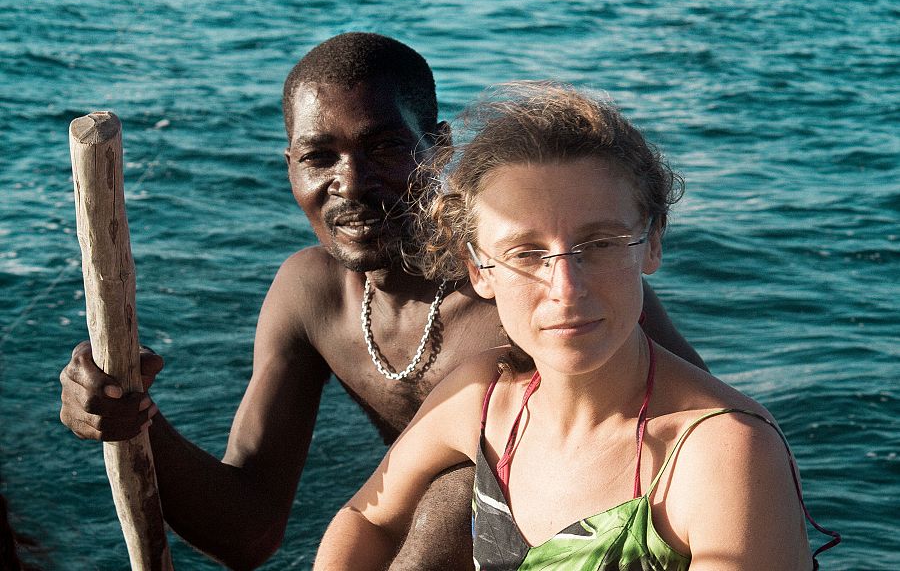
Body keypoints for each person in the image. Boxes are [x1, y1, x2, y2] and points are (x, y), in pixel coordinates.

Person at [59, 33, 707, 570]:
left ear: (440, 149)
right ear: (290, 166)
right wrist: (132, 419)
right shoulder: (312, 296)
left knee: (458, 487)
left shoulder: (535, 287)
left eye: (387, 148)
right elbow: (251, 531)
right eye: (319, 157)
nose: (351, 184)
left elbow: (705, 444)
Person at [313, 82, 840, 570]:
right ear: (478, 269)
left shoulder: (720, 454)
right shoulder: (486, 398)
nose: (566, 288)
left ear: (652, 242)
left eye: (601, 244)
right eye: (526, 253)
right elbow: (367, 519)